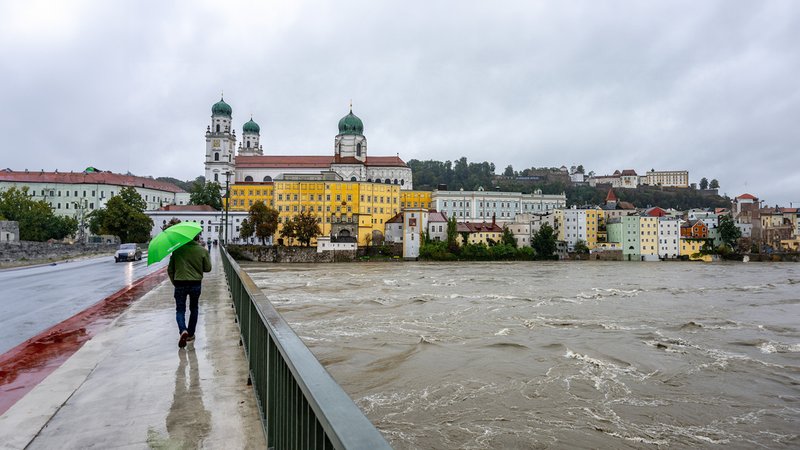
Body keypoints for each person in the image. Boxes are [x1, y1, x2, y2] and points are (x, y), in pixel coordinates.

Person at [168, 233, 212, 348]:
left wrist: (175, 282)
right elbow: (208, 268)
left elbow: (170, 270)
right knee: (194, 308)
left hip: (180, 283)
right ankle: (191, 334)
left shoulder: (177, 250)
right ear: (198, 238)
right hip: (195, 283)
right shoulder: (202, 250)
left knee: (180, 310)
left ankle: (183, 330)